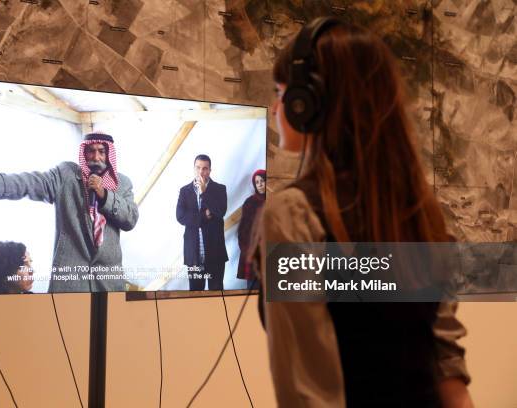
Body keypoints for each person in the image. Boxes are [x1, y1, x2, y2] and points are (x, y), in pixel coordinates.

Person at [260, 17, 474, 407]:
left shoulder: (291, 214)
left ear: (307, 102)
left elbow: (311, 395)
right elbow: (448, 373)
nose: (275, 107)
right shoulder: (423, 214)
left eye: (281, 91)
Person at [0, 133, 139, 293]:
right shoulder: (66, 175)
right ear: (84, 153)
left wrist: (104, 194)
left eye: (101, 151)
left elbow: (130, 219)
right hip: (70, 286)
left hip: (108, 285)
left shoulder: (123, 184)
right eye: (90, 151)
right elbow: (32, 182)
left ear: (109, 154)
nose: (96, 157)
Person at [176, 154, 228, 291]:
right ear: (194, 168)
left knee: (216, 293)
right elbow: (180, 217)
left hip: (215, 253)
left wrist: (205, 192)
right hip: (194, 254)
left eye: (205, 168)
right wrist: (204, 215)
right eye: (198, 168)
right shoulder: (184, 191)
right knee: (195, 293)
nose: (201, 172)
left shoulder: (220, 189)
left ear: (210, 170)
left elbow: (220, 211)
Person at [237, 169, 265, 289]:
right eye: (257, 182)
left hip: (271, 252)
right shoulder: (250, 202)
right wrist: (249, 251)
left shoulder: (275, 201)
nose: (260, 184)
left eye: (263, 180)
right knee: (254, 291)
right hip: (254, 253)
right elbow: (243, 230)